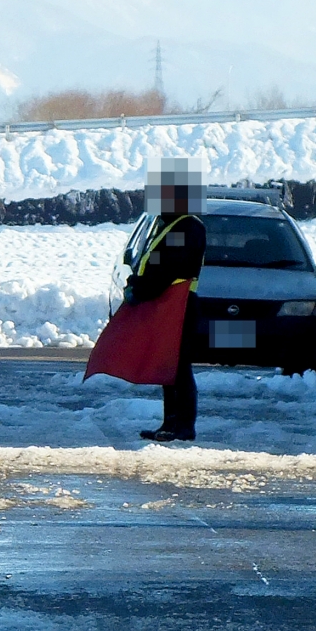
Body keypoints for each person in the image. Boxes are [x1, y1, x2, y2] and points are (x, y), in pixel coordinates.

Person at [126, 160, 207, 441]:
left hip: (179, 305)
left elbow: (166, 268)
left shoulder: (186, 228)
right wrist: (137, 281)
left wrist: (141, 288)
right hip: (167, 304)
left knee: (179, 366)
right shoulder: (170, 225)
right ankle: (170, 423)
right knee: (168, 365)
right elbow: (155, 263)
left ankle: (183, 426)